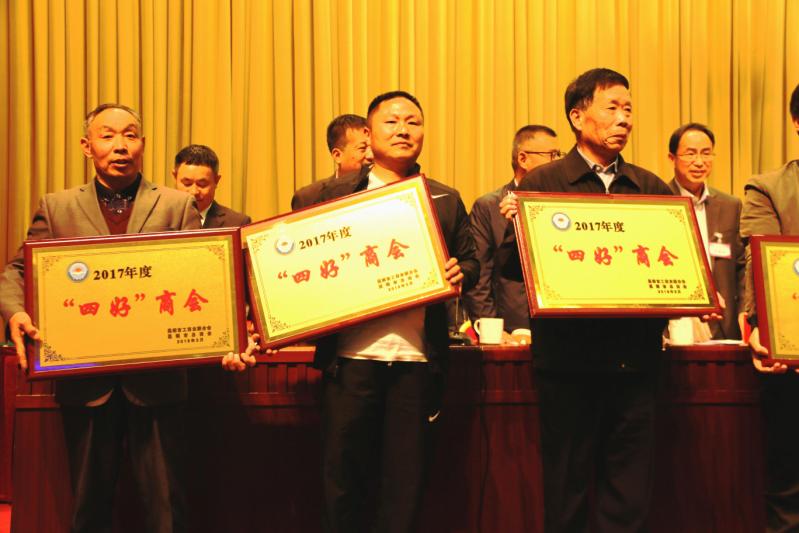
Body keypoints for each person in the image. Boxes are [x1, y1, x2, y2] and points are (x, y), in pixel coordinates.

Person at [0, 103, 200, 532]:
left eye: (130, 135)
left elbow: (203, 273)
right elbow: (19, 270)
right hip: (86, 379)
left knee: (167, 508)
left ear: (143, 144)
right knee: (88, 507)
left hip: (158, 379)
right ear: (87, 146)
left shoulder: (177, 205)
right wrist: (15, 312)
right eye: (107, 136)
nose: (120, 145)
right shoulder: (57, 207)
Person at [502, 68, 672, 532]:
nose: (624, 119)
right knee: (567, 491)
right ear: (577, 117)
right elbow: (510, 269)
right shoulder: (542, 183)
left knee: (628, 494)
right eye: (612, 107)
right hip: (568, 365)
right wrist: (519, 226)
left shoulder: (650, 187)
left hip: (635, 365)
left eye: (629, 109)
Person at [300, 91, 476, 533]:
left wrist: (462, 272)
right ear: (368, 133)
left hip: (416, 362)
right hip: (350, 361)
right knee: (344, 479)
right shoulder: (331, 195)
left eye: (413, 122)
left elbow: (472, 261)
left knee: (404, 482)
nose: (403, 130)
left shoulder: (444, 198)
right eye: (392, 121)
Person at [741, 82, 799, 532]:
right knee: (789, 483)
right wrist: (761, 323)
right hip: (792, 355)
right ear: (797, 123)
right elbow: (758, 258)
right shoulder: (768, 188)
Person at [463, 124, 560, 333]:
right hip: (511, 327)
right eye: (552, 155)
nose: (558, 162)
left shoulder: (562, 204)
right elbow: (480, 278)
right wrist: (493, 332)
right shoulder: (489, 206)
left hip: (558, 324)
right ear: (523, 159)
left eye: (559, 155)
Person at [667, 123, 745, 339]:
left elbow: (741, 267)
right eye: (690, 154)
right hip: (676, 324)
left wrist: (743, 313)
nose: (699, 162)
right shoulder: (659, 200)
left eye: (706, 153)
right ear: (672, 158)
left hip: (724, 325)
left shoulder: (730, 206)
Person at [291, 114, 373, 210]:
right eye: (362, 148)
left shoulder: (381, 186)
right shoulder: (308, 197)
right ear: (338, 155)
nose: (371, 155)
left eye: (373, 147)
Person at [173, 144, 251, 228]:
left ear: (216, 181)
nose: (194, 192)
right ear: (175, 177)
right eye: (187, 184)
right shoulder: (163, 218)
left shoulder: (237, 223)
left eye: (202, 184)